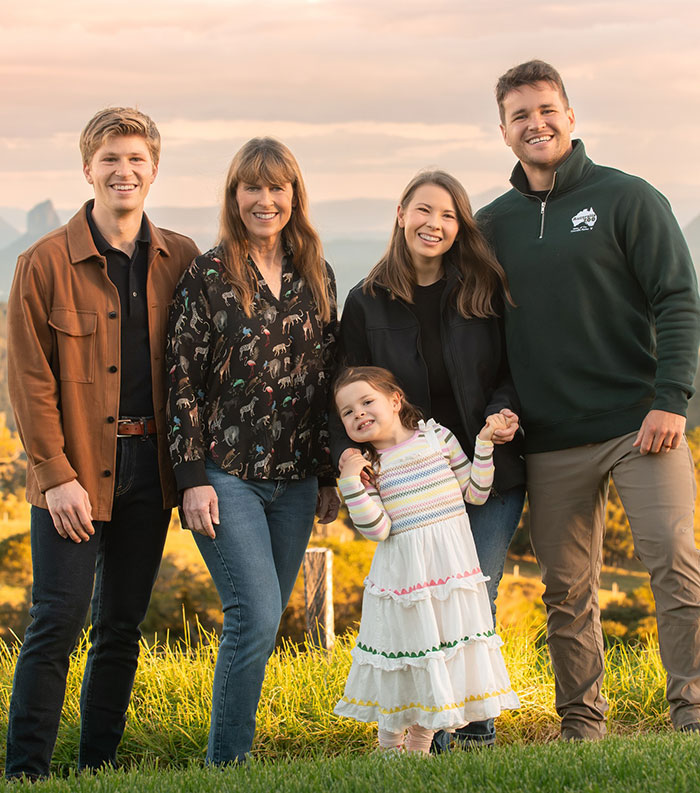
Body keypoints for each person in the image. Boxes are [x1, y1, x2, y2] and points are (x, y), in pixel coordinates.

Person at [477, 59, 700, 740]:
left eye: (547, 110)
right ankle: (582, 724)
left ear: (570, 117)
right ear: (504, 132)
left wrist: (672, 400)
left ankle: (692, 710)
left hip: (642, 425)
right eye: (520, 116)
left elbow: (678, 299)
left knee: (674, 562)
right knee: (566, 591)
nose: (536, 124)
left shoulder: (627, 197)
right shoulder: (493, 224)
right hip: (548, 439)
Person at [5, 108, 199, 779]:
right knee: (56, 623)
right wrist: (56, 474)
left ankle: (98, 769)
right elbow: (29, 380)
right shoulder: (43, 263)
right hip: (75, 472)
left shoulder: (182, 258)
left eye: (136, 159)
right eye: (110, 159)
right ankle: (25, 771)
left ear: (154, 169)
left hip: (152, 470)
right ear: (87, 168)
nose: (124, 171)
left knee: (120, 626)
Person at [332, 169, 524, 749]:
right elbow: (344, 387)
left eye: (447, 215)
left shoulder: (483, 290)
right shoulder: (367, 301)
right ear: (400, 214)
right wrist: (348, 455)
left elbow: (512, 370)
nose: (433, 224)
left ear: (459, 225)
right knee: (421, 609)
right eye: (423, 210)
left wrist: (503, 414)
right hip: (406, 480)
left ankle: (470, 740)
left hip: (486, 467)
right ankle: (426, 739)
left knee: (474, 593)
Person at [166, 136, 340, 765]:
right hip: (225, 474)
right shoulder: (207, 275)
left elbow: (325, 384)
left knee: (261, 626)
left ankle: (232, 757)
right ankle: (226, 763)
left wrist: (327, 477)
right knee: (257, 615)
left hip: (295, 482)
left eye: (277, 188)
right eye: (252, 188)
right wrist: (192, 479)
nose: (265, 201)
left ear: (295, 196)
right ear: (234, 195)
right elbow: (180, 380)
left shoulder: (317, 275)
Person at [332, 366, 519, 754]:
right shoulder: (369, 466)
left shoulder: (438, 438)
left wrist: (484, 445)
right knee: (408, 659)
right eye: (347, 412)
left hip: (449, 574)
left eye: (368, 402)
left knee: (443, 655)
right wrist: (351, 483)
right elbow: (377, 529)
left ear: (395, 400)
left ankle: (419, 747)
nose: (359, 414)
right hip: (406, 580)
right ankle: (388, 747)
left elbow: (477, 493)